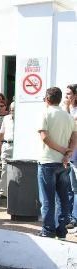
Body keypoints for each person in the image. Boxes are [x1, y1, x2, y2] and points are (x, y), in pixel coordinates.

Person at [37, 87, 76, 239]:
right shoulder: (68, 116)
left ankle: (48, 230)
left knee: (47, 199)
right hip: (63, 163)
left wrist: (62, 150)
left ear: (47, 99)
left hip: (47, 161)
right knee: (63, 199)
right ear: (59, 99)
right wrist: (68, 153)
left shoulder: (45, 113)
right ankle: (61, 231)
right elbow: (74, 137)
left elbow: (44, 137)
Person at [63, 84, 77, 229]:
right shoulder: (65, 110)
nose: (66, 97)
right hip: (67, 155)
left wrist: (66, 108)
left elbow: (70, 125)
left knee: (75, 188)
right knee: (69, 188)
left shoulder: (72, 111)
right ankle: (69, 216)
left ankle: (74, 217)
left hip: (75, 154)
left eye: (69, 94)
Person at [0, 102, 15, 198]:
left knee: (16, 170)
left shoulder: (22, 119)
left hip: (16, 146)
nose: (13, 112)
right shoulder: (6, 118)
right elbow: (1, 133)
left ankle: (14, 191)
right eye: (12, 110)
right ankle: (2, 192)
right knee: (4, 169)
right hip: (6, 145)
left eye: (14, 110)